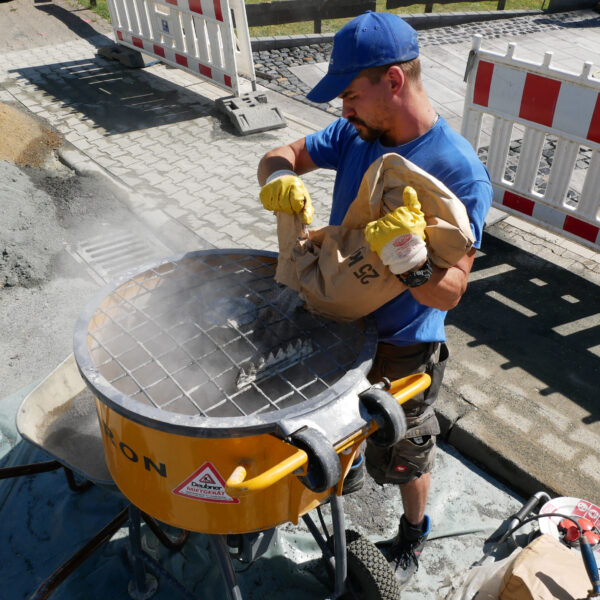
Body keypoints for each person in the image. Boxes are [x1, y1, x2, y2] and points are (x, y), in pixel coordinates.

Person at [257, 11, 493, 588]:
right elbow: (283, 153)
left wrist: (410, 259)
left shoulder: (458, 173)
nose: (343, 109)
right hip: (338, 321)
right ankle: (348, 467)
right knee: (329, 423)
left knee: (405, 449)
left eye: (351, 94)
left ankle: (413, 531)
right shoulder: (357, 134)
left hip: (402, 346)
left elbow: (452, 291)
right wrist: (276, 177)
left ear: (393, 81)